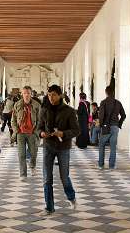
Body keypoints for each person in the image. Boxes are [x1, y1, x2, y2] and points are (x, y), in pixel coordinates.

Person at [38, 85, 80, 215]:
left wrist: (63, 134)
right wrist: (41, 134)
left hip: (63, 147)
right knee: (47, 178)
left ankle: (71, 197)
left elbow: (76, 130)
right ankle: (49, 207)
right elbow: (38, 127)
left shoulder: (69, 111)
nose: (51, 97)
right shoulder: (44, 109)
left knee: (64, 177)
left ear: (60, 95)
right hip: (48, 146)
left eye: (54, 95)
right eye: (49, 95)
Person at [11, 85, 41, 178]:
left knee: (33, 152)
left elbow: (40, 120)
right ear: (22, 94)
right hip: (20, 133)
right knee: (21, 154)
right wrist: (16, 130)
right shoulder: (17, 104)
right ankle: (23, 174)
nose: (26, 95)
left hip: (32, 133)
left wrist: (36, 131)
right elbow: (13, 119)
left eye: (28, 93)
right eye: (24, 93)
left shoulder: (36, 105)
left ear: (31, 94)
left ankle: (32, 166)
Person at [98, 86, 127, 169]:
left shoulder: (103, 102)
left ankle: (101, 164)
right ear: (113, 92)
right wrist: (119, 124)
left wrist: (101, 125)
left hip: (106, 126)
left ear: (106, 92)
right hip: (115, 127)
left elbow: (101, 115)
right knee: (113, 147)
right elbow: (123, 115)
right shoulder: (118, 103)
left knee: (101, 145)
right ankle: (111, 165)